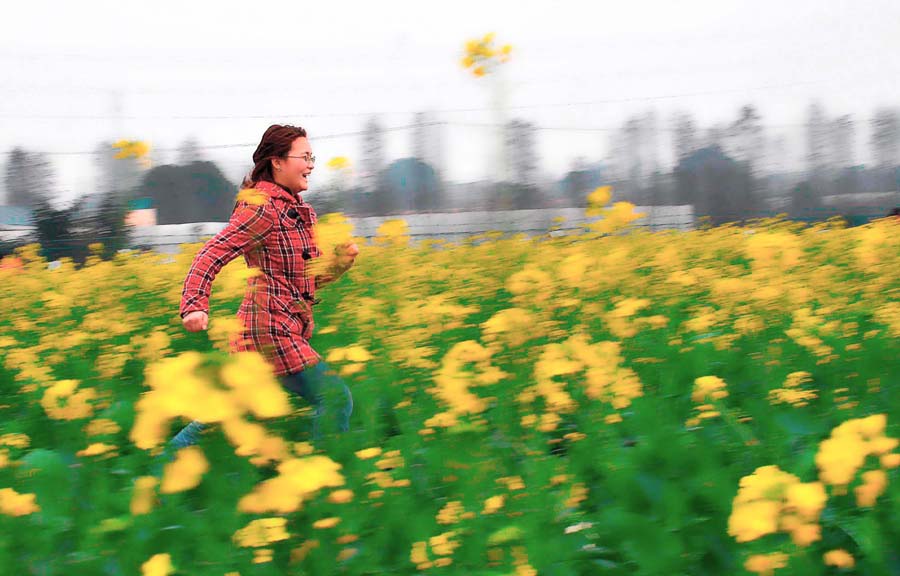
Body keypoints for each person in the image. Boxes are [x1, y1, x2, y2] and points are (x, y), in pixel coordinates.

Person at [170, 124, 359, 452]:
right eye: (304, 156)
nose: (312, 164)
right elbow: (213, 252)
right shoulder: (261, 208)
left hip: (276, 329)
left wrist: (340, 263)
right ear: (278, 162)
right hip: (270, 330)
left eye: (312, 156)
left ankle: (160, 467)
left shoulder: (298, 213)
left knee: (229, 414)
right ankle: (318, 477)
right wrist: (194, 304)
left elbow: (305, 280)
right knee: (335, 399)